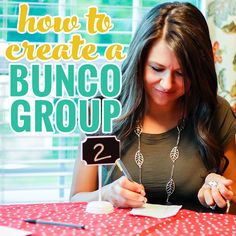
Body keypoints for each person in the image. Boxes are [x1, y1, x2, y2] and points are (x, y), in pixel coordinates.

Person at [70, 2, 236, 211]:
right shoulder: (104, 110)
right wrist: (107, 195)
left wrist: (218, 191)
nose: (167, 84)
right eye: (157, 68)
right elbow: (76, 199)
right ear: (138, 61)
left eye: (182, 73)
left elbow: (234, 207)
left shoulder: (215, 113)